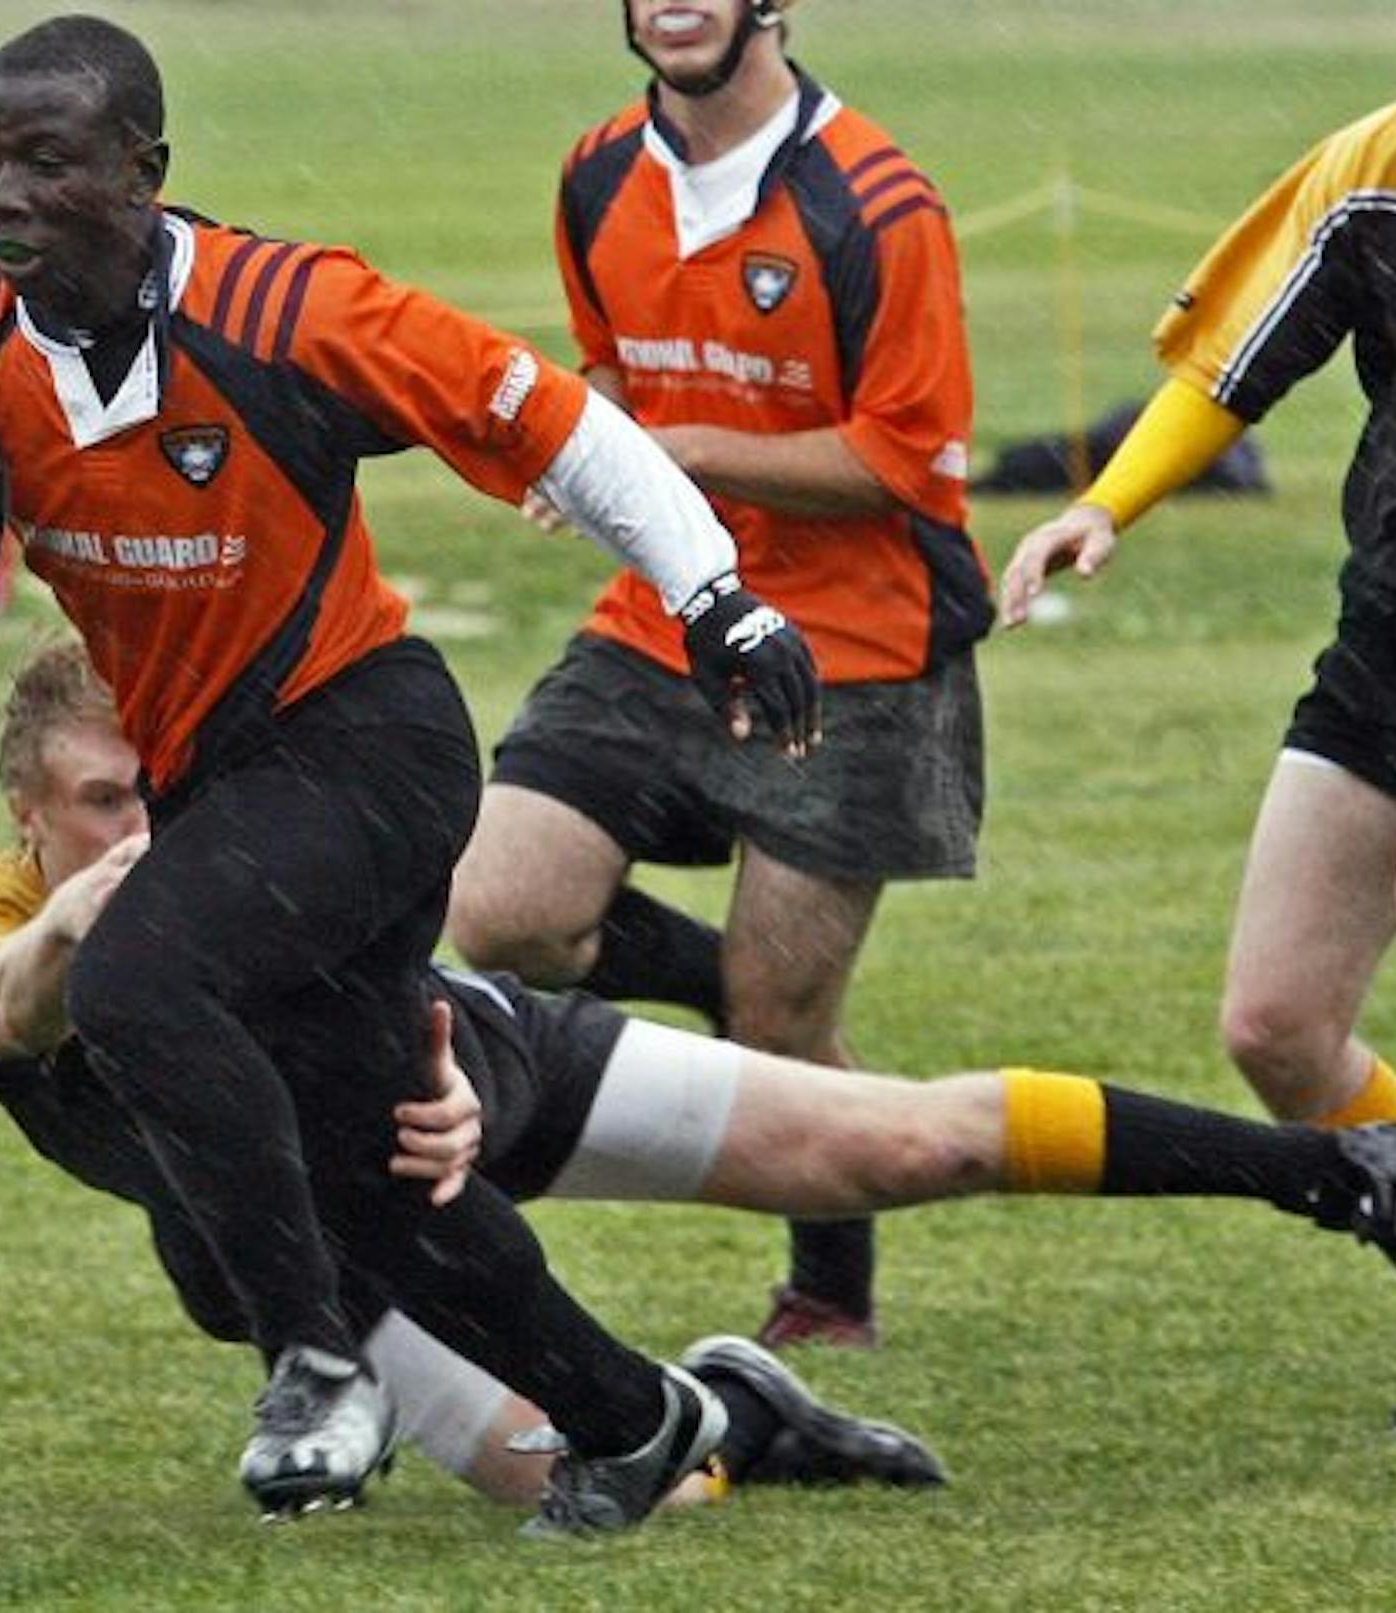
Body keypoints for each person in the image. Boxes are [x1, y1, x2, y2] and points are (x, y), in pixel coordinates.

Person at [0, 13, 822, 1536]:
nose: (0, 200)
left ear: (145, 172)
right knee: (375, 1178)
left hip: (369, 738)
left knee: (142, 985)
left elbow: (561, 429)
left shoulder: (291, 310)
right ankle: (638, 1417)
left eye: (45, 163)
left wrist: (717, 598)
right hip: (224, 777)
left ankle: (314, 1360)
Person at [0, 637, 1396, 1503]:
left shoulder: (260, 855)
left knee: (907, 1143)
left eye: (170, 788)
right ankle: (742, 1407)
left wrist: (449, 1079)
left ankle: (1365, 1174)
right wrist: (77, 928)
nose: (151, 828)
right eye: (111, 800)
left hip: (475, 1083)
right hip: (354, 1258)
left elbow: (407, 986)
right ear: (28, 814)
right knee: (588, 1483)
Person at [998, 0, 1396, 1448]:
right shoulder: (1377, 169)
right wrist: (1104, 504)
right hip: (1395, 635)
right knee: (1275, 1024)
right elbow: (1228, 369)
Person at [447, 0, 988, 1352]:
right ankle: (729, 990)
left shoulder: (877, 203)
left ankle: (832, 1291)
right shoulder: (594, 175)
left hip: (858, 648)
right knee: (496, 907)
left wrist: (672, 447)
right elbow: (611, 380)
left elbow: (902, 465)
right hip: (664, 615)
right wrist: (586, 450)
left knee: (788, 1018)